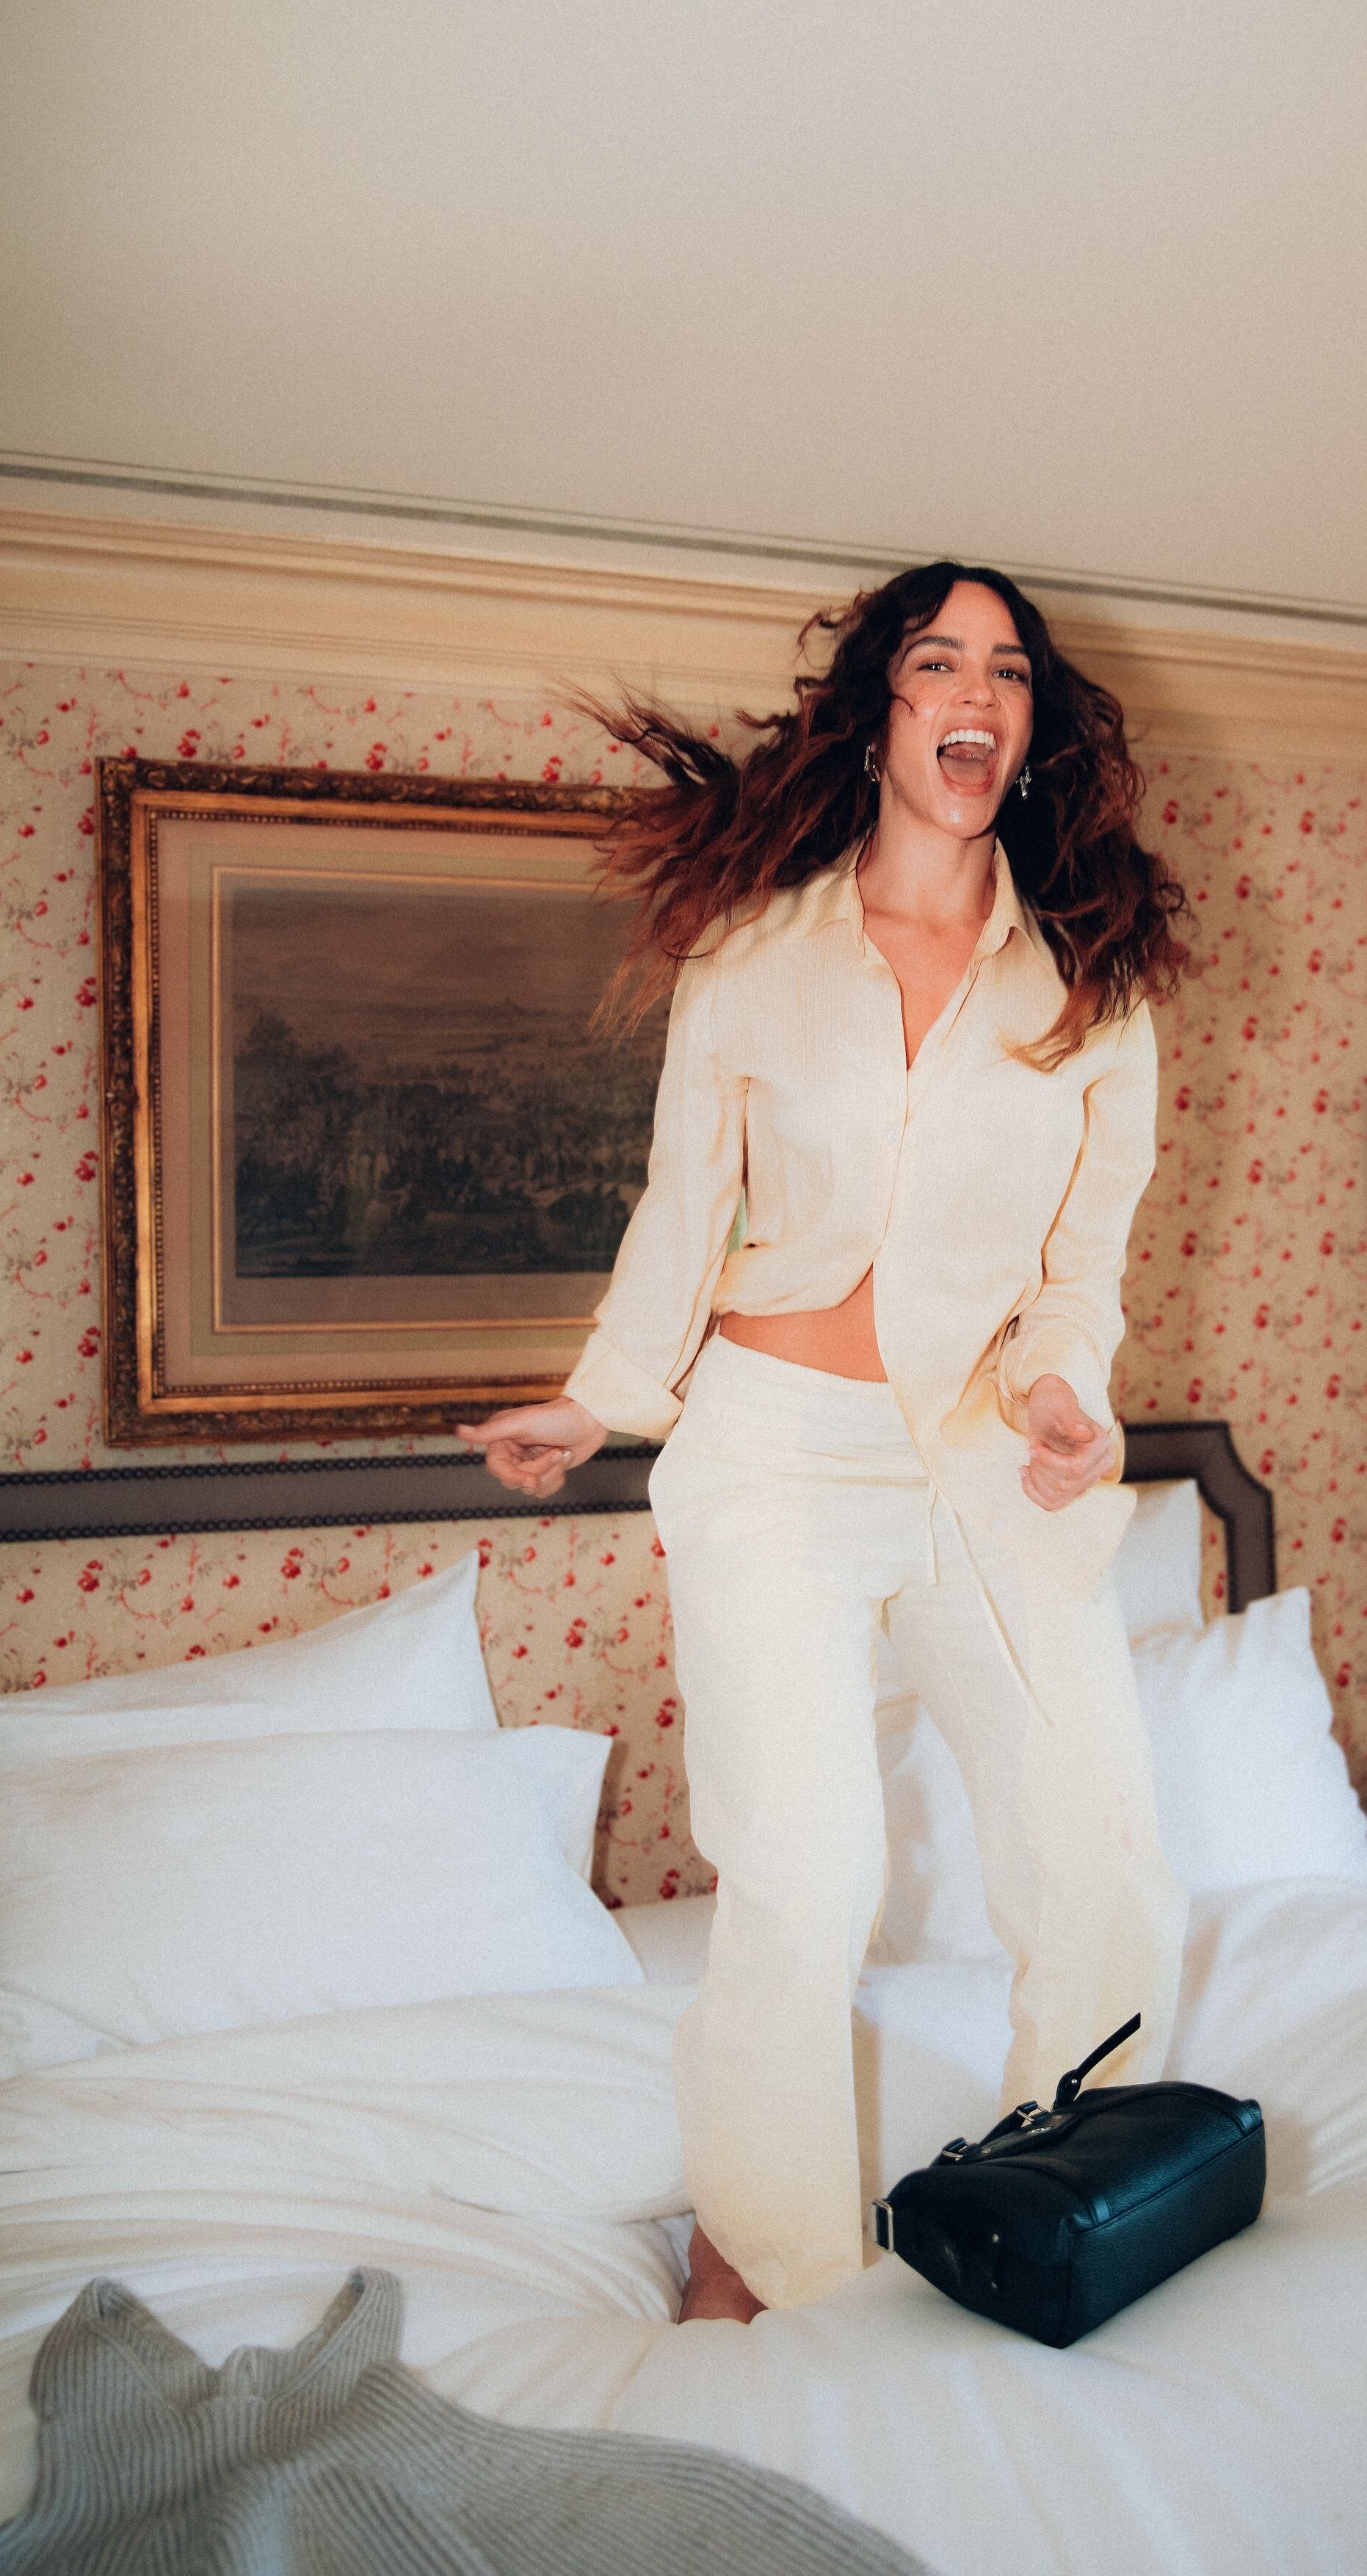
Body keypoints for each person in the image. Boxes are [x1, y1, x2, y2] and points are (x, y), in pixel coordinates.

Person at [458, 562, 1190, 2324]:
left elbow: (1077, 1272)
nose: (976, 691)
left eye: (1007, 670)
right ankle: (765, 2245)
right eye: (938, 660)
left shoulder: (1091, 991)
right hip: (778, 1449)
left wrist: (1063, 1395)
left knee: (1100, 1849)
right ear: (880, 715)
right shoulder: (757, 958)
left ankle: (1073, 2193)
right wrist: (598, 1396)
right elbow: (682, 1204)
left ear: (1029, 730)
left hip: (981, 1453)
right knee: (809, 1867)